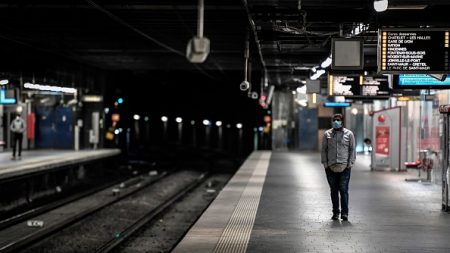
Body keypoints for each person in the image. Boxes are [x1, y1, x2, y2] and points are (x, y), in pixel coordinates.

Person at [321, 113, 356, 221]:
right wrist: (325, 164)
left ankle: (344, 213)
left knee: (343, 189)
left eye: (338, 120)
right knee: (333, 190)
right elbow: (324, 150)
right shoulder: (327, 134)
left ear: (342, 121)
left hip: (344, 167)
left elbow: (352, 149)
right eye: (334, 120)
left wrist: (350, 164)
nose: (336, 122)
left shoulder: (349, 134)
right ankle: (335, 212)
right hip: (330, 167)